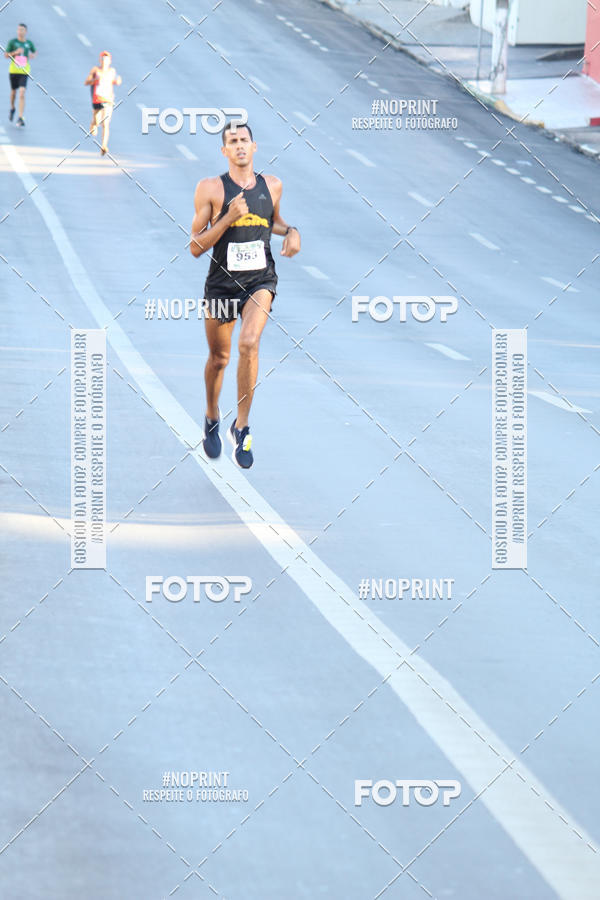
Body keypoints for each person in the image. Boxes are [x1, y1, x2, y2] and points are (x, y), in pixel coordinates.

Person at [190, 122, 300, 469]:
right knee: (219, 359)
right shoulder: (210, 189)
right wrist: (226, 219)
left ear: (255, 147)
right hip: (222, 285)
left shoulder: (273, 185)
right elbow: (195, 246)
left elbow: (272, 222)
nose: (239, 146)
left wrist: (292, 232)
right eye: (232, 142)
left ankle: (242, 426)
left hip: (259, 281)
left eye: (244, 141)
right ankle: (211, 416)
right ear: (224, 151)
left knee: (249, 343)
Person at [84, 51, 121, 155]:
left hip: (108, 100)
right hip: (97, 99)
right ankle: (93, 124)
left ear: (110, 61)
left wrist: (118, 81)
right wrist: (94, 80)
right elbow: (86, 82)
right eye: (103, 59)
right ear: (100, 60)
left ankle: (104, 146)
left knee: (105, 123)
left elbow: (118, 79)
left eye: (107, 59)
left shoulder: (112, 71)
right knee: (97, 121)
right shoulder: (95, 70)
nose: (105, 61)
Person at [5, 23, 36, 126]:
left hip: (24, 71)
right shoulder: (13, 42)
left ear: (25, 32)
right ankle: (13, 108)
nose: (20, 32)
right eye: (18, 30)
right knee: (14, 92)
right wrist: (15, 52)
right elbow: (6, 55)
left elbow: (34, 52)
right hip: (14, 71)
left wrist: (32, 55)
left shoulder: (29, 43)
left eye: (22, 30)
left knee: (22, 92)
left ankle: (20, 117)